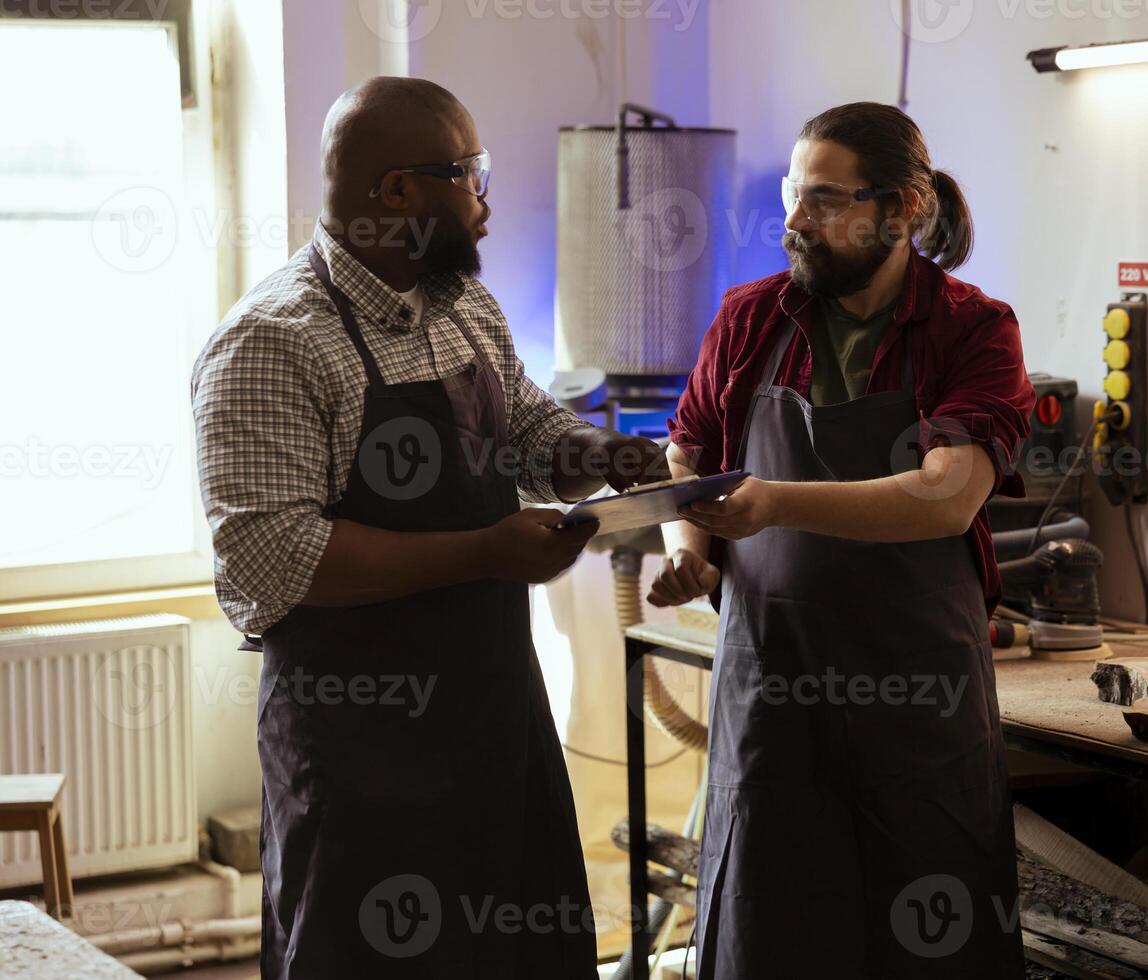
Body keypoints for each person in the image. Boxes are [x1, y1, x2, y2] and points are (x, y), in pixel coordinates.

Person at [191, 76, 666, 979]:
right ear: (398, 191)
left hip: (494, 718)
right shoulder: (270, 343)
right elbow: (270, 556)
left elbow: (528, 431)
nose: (487, 198)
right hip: (360, 748)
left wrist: (599, 456)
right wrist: (487, 551)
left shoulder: (465, 306)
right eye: (470, 172)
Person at [651, 101, 1035, 978]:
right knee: (770, 934)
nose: (794, 221)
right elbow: (691, 447)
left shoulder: (973, 329)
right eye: (794, 194)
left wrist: (776, 503)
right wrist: (689, 549)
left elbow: (947, 496)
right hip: (772, 697)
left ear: (903, 210)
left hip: (916, 705)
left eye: (825, 200)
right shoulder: (752, 319)